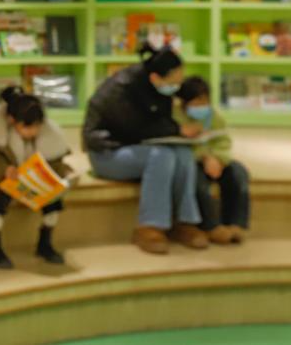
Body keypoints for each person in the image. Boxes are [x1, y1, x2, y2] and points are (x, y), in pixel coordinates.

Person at [82, 45, 207, 255]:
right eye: (173, 83)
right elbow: (135, 130)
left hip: (140, 149)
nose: (176, 88)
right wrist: (178, 130)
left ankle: (185, 221)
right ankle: (150, 226)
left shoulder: (158, 88)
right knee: (162, 155)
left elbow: (159, 124)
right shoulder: (121, 89)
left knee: (184, 154)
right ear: (156, 78)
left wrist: (180, 133)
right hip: (107, 153)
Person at [0, 87, 74, 270]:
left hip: (29, 183)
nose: (33, 131)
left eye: (37, 126)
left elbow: (55, 161)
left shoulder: (48, 136)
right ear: (12, 121)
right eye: (27, 127)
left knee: (54, 199)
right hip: (1, 181)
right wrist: (3, 170)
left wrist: (64, 174)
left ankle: (45, 243)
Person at [174, 76, 250, 245]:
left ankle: (236, 224)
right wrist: (204, 157)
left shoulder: (213, 117)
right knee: (198, 184)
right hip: (192, 161)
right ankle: (211, 226)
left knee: (238, 174)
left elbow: (223, 141)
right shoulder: (175, 118)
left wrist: (218, 159)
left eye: (205, 101)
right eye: (196, 102)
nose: (201, 107)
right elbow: (179, 147)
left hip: (215, 160)